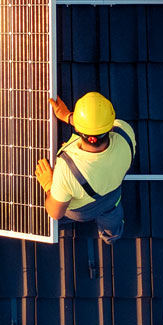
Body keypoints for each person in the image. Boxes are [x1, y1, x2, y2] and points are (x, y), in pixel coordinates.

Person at [33, 91, 136, 243]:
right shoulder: (125, 133)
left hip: (82, 212)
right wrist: (68, 116)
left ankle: (50, 227)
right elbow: (100, 130)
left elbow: (55, 212)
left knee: (48, 213)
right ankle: (111, 235)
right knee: (112, 218)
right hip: (112, 197)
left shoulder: (66, 170)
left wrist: (49, 184)